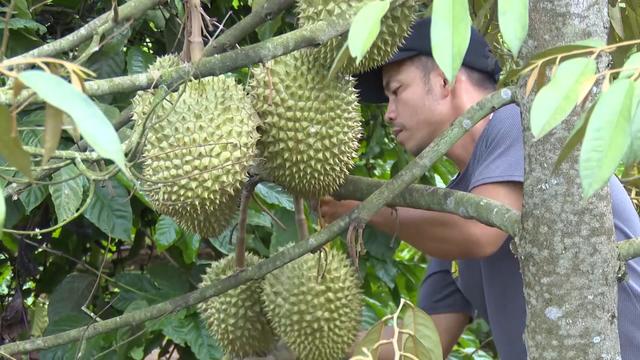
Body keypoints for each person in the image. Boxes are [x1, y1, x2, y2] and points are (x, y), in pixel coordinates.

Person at [320, 18, 640, 359]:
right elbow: (424, 346)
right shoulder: (455, 210)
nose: (389, 113)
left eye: (396, 91)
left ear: (444, 79)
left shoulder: (522, 124)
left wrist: (365, 209)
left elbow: (479, 233)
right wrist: (313, 338)